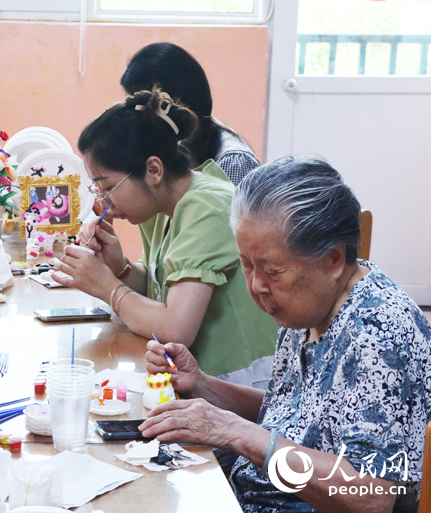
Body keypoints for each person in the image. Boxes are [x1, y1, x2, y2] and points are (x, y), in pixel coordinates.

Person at [141, 157, 431, 513]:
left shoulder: (378, 335)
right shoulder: (312, 305)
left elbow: (371, 497)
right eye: (247, 264)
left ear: (333, 259)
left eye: (273, 270)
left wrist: (239, 433)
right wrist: (201, 385)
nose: (257, 285)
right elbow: (291, 413)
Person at [52, 89, 277, 386]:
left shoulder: (209, 206)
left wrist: (105, 286)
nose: (102, 201)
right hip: (195, 375)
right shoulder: (161, 204)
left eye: (107, 186)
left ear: (153, 170)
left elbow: (175, 326)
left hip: (238, 383)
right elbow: (159, 289)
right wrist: (118, 267)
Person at [121, 42, 260, 186]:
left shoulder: (233, 162)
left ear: (175, 104)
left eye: (139, 108)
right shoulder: (164, 145)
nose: (134, 118)